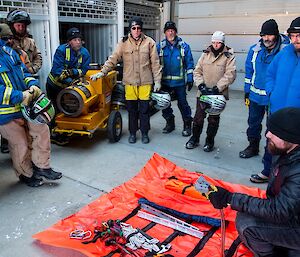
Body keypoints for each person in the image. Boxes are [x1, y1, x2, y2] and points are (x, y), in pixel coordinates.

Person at [208, 107, 300, 256]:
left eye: (275, 133)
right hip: (292, 215)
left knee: (247, 224)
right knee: (247, 215)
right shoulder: (284, 151)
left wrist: (231, 198)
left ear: (293, 140)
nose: (268, 134)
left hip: (294, 222)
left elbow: (280, 211)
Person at [0, 29, 62, 187]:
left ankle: (42, 167)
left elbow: (24, 73)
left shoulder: (11, 53)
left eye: (9, 38)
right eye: (5, 38)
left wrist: (33, 86)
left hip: (25, 107)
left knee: (42, 130)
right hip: (6, 114)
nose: (9, 41)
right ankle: (25, 174)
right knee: (19, 144)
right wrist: (20, 96)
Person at [90, 17, 162, 144]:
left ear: (141, 29)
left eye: (139, 28)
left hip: (145, 82)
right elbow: (114, 58)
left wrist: (158, 81)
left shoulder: (149, 42)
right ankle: (133, 133)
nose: (136, 31)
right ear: (130, 29)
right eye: (134, 28)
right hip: (129, 83)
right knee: (132, 110)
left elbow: (155, 63)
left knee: (145, 110)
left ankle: (145, 133)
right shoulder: (123, 43)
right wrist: (102, 72)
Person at [238, 20, 290, 184]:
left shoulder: (285, 51)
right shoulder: (255, 50)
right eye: (264, 35)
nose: (267, 38)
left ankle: (269, 164)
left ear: (276, 34)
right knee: (253, 123)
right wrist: (247, 91)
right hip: (255, 96)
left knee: (272, 131)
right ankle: (253, 146)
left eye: (270, 34)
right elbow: (249, 71)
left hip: (274, 99)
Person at [250, 17, 300, 183]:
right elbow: (270, 74)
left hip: (296, 116)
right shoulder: (285, 53)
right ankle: (267, 172)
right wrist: (272, 92)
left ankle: (288, 182)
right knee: (272, 142)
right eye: (293, 35)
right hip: (277, 110)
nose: (295, 39)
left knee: (294, 151)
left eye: (299, 35)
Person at [185, 31, 236, 152]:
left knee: (213, 119)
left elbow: (230, 74)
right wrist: (200, 85)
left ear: (222, 43)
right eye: (214, 42)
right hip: (203, 93)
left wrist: (217, 88)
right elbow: (197, 71)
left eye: (218, 42)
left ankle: (209, 141)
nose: (216, 45)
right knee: (198, 117)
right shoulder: (205, 54)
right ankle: (194, 138)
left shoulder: (228, 56)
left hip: (217, 95)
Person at [46, 27, 91, 145]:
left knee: (68, 108)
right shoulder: (61, 51)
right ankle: (54, 134)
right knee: (55, 110)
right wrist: (71, 81)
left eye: (79, 39)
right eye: (75, 39)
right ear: (69, 42)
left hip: (69, 86)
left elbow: (84, 70)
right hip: (54, 86)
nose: (78, 42)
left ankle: (67, 129)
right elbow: (57, 72)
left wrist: (73, 73)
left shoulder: (85, 53)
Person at [156, 21, 194, 136]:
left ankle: (187, 125)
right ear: (165, 33)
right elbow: (154, 64)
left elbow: (190, 64)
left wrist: (190, 78)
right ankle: (170, 123)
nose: (170, 32)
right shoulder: (160, 47)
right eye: (168, 31)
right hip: (165, 83)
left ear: (175, 32)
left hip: (179, 84)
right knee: (164, 104)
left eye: (172, 30)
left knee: (183, 104)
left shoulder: (184, 47)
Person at [6, 9, 42, 75]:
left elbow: (38, 58)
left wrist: (32, 70)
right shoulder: (7, 42)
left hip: (29, 78)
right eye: (18, 25)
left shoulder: (31, 41)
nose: (21, 28)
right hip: (13, 78)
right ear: (12, 26)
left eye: (23, 26)